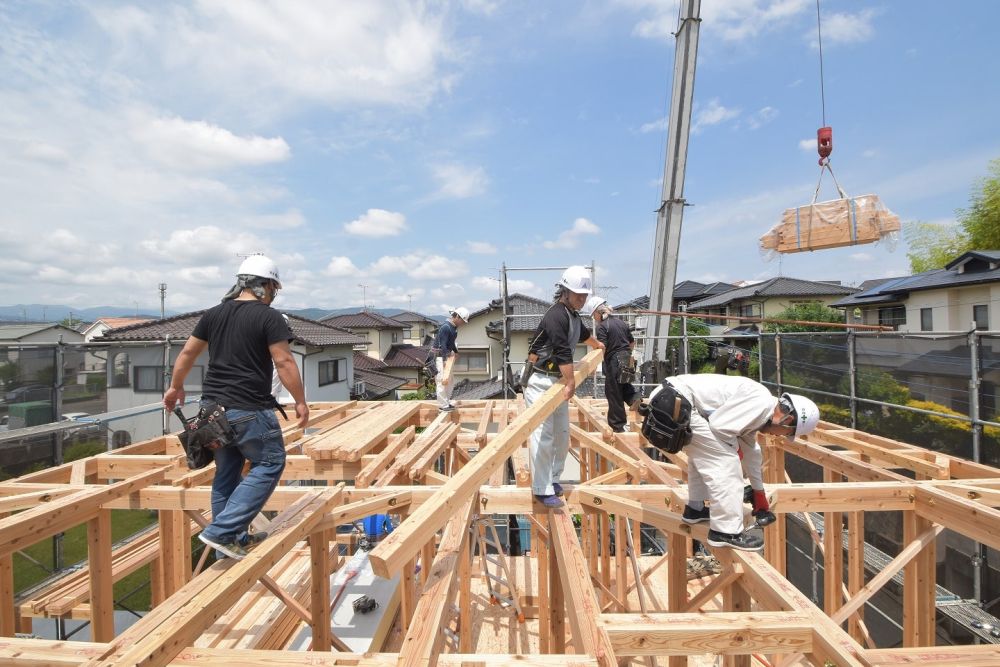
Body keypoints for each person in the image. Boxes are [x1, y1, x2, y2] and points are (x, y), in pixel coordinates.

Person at [163, 253, 309, 560]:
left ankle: (229, 544)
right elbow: (283, 360)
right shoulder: (268, 317)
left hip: (213, 409)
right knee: (270, 463)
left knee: (227, 473)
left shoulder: (214, 314)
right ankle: (223, 532)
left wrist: (176, 387)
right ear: (265, 285)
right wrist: (300, 401)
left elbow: (188, 353)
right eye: (273, 288)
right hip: (248, 408)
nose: (273, 294)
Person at [652, 374, 818, 551]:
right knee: (726, 460)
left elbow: (752, 452)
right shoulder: (760, 403)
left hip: (671, 400)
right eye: (786, 433)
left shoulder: (760, 410)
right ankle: (725, 532)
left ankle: (696, 508)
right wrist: (734, 452)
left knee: (705, 452)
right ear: (787, 420)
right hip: (674, 402)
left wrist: (758, 491)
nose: (778, 436)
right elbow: (719, 426)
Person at [524, 266, 605, 508]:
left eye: (584, 296)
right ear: (565, 291)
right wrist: (571, 382)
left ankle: (552, 479)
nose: (582, 299)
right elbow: (562, 352)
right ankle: (540, 488)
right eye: (578, 295)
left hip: (556, 380)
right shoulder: (555, 315)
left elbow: (583, 336)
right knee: (543, 434)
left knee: (561, 435)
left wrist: (598, 345)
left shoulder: (573, 315)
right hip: (540, 380)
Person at [585, 296, 640, 433]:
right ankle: (635, 399)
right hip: (627, 357)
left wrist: (594, 365)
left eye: (593, 316)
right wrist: (626, 355)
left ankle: (617, 426)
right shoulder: (621, 323)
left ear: (598, 313)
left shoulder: (602, 327)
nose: (594, 319)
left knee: (613, 392)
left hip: (614, 360)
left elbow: (601, 347)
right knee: (625, 385)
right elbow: (631, 343)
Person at [432, 307, 470, 411]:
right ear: (457, 316)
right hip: (440, 357)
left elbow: (451, 342)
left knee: (449, 380)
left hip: (447, 356)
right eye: (462, 320)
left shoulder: (453, 327)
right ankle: (443, 405)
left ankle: (447, 402)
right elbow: (443, 344)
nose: (462, 323)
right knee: (442, 381)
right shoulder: (445, 327)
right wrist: (444, 360)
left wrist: (456, 352)